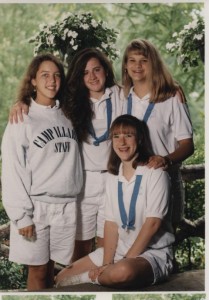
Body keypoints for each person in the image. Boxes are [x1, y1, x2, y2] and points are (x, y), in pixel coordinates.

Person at [8, 48, 124, 261]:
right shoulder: (72, 103)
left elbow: (145, 87)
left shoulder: (118, 95)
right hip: (81, 184)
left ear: (106, 71)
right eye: (85, 72)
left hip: (111, 177)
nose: (92, 76)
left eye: (97, 70)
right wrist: (22, 102)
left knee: (106, 246)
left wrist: (172, 88)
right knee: (76, 251)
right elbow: (43, 107)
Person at [55, 114, 175, 289]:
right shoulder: (113, 177)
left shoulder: (155, 173)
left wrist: (121, 262)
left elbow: (153, 223)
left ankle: (90, 277)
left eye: (128, 135)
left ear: (139, 139)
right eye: (116, 136)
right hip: (119, 249)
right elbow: (110, 224)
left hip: (151, 253)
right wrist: (106, 263)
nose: (122, 142)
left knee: (122, 272)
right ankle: (102, 273)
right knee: (62, 278)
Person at [1, 53, 83, 291]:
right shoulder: (22, 118)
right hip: (36, 207)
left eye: (57, 75)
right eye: (45, 75)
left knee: (51, 270)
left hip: (66, 205)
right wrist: (21, 215)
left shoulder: (67, 116)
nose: (52, 80)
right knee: (37, 271)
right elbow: (13, 167)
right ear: (33, 81)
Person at [121, 39, 194, 227]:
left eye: (143, 60)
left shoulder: (171, 96)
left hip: (164, 179)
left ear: (153, 63)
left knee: (163, 244)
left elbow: (188, 145)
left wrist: (166, 159)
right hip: (132, 182)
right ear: (125, 65)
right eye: (132, 60)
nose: (137, 66)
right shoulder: (123, 96)